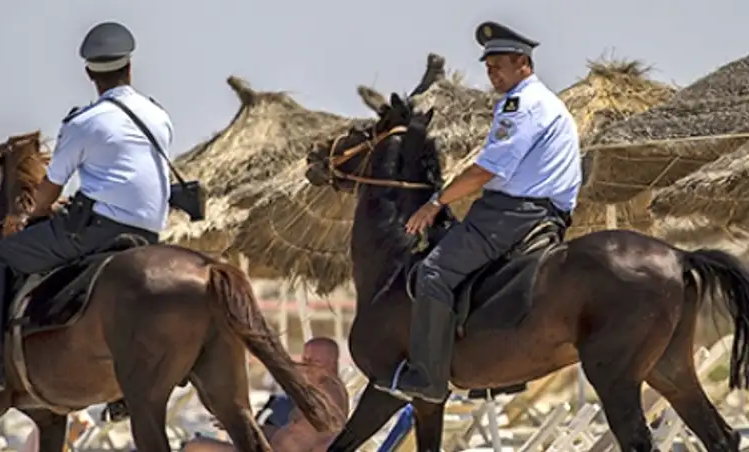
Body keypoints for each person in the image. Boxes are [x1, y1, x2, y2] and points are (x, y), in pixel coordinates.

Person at [0, 20, 173, 415]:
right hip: (150, 232)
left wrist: (30, 215)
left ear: (89, 73)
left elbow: (51, 187)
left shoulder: (84, 122)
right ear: (130, 67)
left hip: (98, 231)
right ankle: (125, 389)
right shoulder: (158, 116)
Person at [376, 21, 582, 404]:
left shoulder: (522, 104)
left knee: (433, 272)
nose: (491, 74)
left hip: (513, 213)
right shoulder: (546, 102)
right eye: (487, 67)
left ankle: (428, 377)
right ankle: (497, 374)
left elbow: (486, 170)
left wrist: (436, 202)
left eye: (497, 66)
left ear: (522, 62)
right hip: (541, 212)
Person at [182, 337, 349, 452]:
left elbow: (298, 371)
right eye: (304, 359)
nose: (305, 366)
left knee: (194, 448)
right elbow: (282, 434)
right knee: (195, 445)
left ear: (332, 364)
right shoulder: (312, 395)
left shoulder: (330, 393)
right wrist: (246, 426)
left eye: (313, 362)